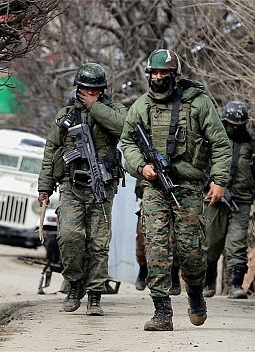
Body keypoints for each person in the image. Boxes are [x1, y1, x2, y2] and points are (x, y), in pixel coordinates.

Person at [121, 49, 232, 331]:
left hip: (188, 186)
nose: (158, 78)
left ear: (174, 75)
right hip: (155, 187)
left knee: (190, 250)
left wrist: (219, 181)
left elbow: (220, 143)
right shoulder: (142, 106)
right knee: (156, 246)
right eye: (154, 73)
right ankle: (162, 311)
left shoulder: (198, 103)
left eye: (164, 73)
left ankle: (195, 294)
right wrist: (141, 167)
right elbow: (127, 142)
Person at [38, 63, 127, 316]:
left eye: (94, 90)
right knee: (69, 237)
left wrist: (94, 107)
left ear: (102, 91)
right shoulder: (65, 115)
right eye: (84, 89)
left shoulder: (113, 110)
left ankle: (95, 294)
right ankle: (75, 284)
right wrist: (44, 186)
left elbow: (124, 128)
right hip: (71, 186)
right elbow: (50, 151)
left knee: (99, 243)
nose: (88, 93)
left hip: (102, 185)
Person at [203, 101, 255, 299]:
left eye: (239, 125)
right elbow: (203, 166)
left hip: (241, 200)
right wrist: (209, 185)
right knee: (210, 241)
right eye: (232, 124)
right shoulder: (213, 138)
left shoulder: (250, 143)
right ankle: (208, 281)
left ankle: (235, 284)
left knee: (237, 242)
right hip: (214, 197)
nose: (236, 128)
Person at [134, 179, 181, 295]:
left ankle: (174, 275)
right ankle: (143, 268)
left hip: (176, 197)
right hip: (151, 195)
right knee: (143, 238)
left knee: (176, 240)